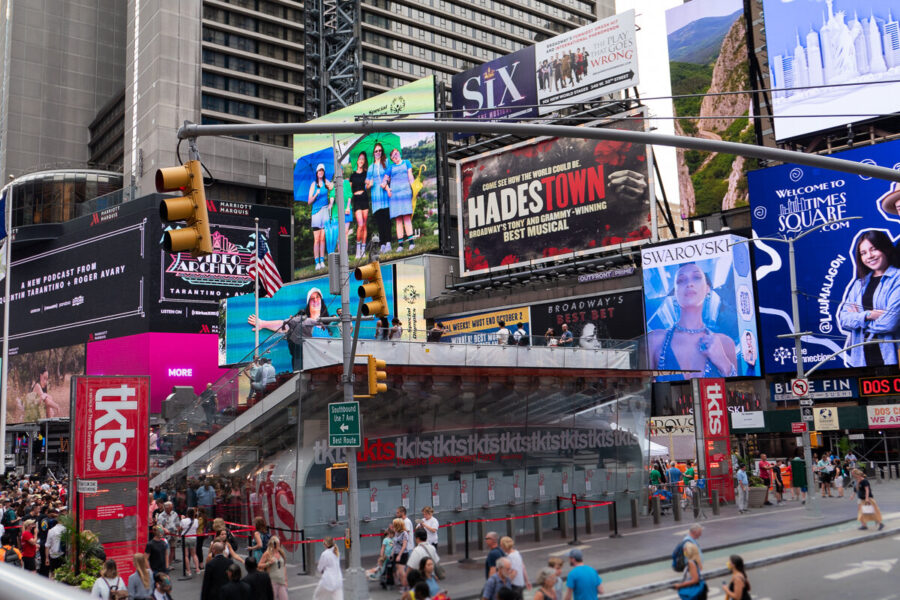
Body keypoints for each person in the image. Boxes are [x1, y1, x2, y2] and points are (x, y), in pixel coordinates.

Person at [648, 262, 738, 378]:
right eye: (681, 280)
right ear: (675, 293)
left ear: (707, 289)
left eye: (696, 277)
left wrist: (724, 363)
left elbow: (736, 389)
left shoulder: (725, 343)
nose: (689, 284)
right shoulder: (654, 340)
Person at [838, 229, 900, 366]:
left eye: (874, 249)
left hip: (894, 359)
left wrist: (858, 320)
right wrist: (869, 315)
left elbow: (890, 322)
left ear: (886, 249)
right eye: (863, 253)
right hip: (861, 362)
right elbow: (843, 319)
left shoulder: (898, 279)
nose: (869, 256)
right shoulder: (859, 284)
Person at [385, 147, 416, 252]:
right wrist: (388, 189)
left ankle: (411, 243)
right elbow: (384, 182)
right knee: (398, 220)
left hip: (406, 193)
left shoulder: (407, 162)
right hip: (395, 196)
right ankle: (400, 245)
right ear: (391, 159)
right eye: (393, 156)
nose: (396, 156)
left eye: (396, 153)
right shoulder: (390, 167)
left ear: (399, 153)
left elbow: (410, 176)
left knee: (407, 218)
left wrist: (414, 188)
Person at [366, 142, 393, 254]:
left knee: (386, 220)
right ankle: (382, 244)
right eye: (376, 151)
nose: (378, 153)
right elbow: (366, 184)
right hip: (376, 197)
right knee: (380, 221)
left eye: (379, 150)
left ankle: (388, 243)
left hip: (385, 195)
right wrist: (369, 184)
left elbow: (390, 176)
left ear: (382, 152)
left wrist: (387, 181)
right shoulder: (370, 167)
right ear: (373, 153)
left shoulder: (386, 162)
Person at [308, 163, 335, 270]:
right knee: (317, 239)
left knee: (323, 238)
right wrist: (316, 194)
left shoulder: (325, 182)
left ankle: (322, 261)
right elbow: (309, 201)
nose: (321, 172)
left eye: (322, 171)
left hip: (325, 211)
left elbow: (332, 188)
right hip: (315, 213)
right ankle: (317, 262)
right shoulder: (313, 184)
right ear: (316, 172)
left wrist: (330, 203)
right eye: (319, 170)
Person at [350, 152, 371, 259]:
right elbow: (349, 190)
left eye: (363, 159)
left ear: (364, 161)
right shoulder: (352, 175)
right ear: (357, 161)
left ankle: (363, 250)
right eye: (359, 159)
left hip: (364, 199)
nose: (361, 161)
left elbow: (368, 185)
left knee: (365, 224)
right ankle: (358, 250)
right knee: (360, 224)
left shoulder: (366, 173)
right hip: (356, 200)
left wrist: (369, 184)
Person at [259, 536, 289, 600]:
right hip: (272, 581)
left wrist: (285, 580)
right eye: (277, 544)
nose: (278, 545)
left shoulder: (281, 552)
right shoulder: (267, 554)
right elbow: (259, 565)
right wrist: (268, 563)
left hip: (281, 581)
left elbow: (284, 566)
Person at [156, 501, 180, 566]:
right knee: (164, 550)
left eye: (172, 508)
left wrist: (177, 530)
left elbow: (178, 524)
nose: (171, 510)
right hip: (165, 535)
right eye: (170, 508)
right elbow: (158, 526)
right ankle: (163, 563)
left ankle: (169, 564)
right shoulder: (161, 516)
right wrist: (164, 529)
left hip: (173, 534)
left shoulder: (174, 514)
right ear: (166, 508)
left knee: (173, 548)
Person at [391, 517, 411, 590]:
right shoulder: (396, 532)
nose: (393, 526)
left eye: (394, 524)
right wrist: (392, 554)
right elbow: (395, 544)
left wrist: (399, 555)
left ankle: (406, 586)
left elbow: (404, 546)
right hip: (396, 553)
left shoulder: (404, 533)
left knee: (401, 572)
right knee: (398, 572)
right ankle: (403, 584)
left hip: (402, 554)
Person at [180, 507, 200, 576]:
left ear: (187, 513)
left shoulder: (184, 520)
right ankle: (197, 569)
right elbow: (196, 527)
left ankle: (188, 571)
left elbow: (181, 528)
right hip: (193, 538)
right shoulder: (196, 521)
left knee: (186, 555)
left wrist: (182, 519)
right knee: (194, 554)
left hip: (185, 538)